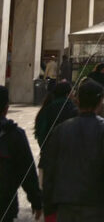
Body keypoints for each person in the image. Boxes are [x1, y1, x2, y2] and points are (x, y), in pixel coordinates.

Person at [42, 77, 104, 222]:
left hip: (66, 204)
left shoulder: (61, 129)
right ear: (100, 103)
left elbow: (50, 171)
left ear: (77, 100)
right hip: (96, 205)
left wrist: (48, 207)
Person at [0, 85, 42, 221]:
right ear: (6, 108)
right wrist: (36, 200)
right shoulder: (15, 135)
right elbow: (27, 171)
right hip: (4, 205)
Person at [35, 80, 78, 148]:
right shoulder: (73, 109)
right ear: (68, 94)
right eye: (72, 92)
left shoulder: (46, 109)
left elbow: (40, 133)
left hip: (48, 151)